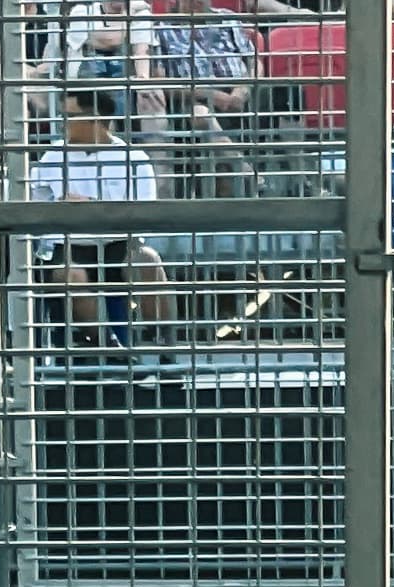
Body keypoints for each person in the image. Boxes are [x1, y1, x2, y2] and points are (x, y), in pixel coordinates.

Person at [32, 88, 169, 347]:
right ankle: (106, 344)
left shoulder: (134, 158)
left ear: (94, 118)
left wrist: (92, 207)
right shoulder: (52, 157)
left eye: (69, 116)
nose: (63, 123)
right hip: (70, 244)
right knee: (69, 275)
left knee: (148, 261)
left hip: (120, 242)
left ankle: (162, 339)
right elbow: (36, 206)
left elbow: (146, 213)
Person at [146, 0, 257, 197]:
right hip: (189, 96)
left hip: (239, 92)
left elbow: (253, 61)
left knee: (288, 97)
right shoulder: (160, 28)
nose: (196, 2)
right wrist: (211, 95)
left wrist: (242, 88)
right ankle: (242, 167)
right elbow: (159, 79)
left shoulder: (228, 19)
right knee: (201, 115)